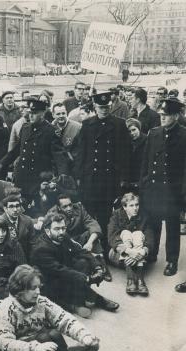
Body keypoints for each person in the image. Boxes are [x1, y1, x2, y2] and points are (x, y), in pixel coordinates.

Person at [31, 213, 119, 319]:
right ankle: (86, 302)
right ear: (47, 230)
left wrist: (97, 267)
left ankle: (80, 300)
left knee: (83, 262)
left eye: (63, 228)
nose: (61, 232)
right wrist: (87, 278)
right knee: (72, 279)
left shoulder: (63, 236)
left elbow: (81, 251)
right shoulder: (41, 249)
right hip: (50, 282)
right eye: (57, 229)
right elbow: (60, 270)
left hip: (64, 273)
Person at [75, 92, 131, 252]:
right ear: (95, 107)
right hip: (90, 178)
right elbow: (81, 152)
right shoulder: (87, 124)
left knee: (106, 215)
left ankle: (106, 250)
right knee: (89, 216)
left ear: (111, 106)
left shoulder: (120, 124)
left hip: (109, 178)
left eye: (106, 107)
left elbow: (126, 153)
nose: (104, 110)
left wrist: (123, 178)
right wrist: (78, 176)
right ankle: (91, 249)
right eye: (101, 107)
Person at [140, 98, 186, 276]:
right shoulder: (154, 133)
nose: (163, 118)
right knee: (154, 223)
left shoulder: (183, 135)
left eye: (166, 115)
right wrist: (143, 183)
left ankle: (171, 261)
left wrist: (183, 192)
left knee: (173, 227)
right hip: (154, 188)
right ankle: (152, 254)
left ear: (175, 116)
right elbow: (146, 160)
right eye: (161, 115)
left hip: (173, 191)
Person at [0, 99, 68, 207]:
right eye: (29, 113)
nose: (31, 116)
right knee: (20, 207)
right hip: (22, 177)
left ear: (42, 114)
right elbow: (18, 150)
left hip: (39, 179)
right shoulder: (25, 128)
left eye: (34, 113)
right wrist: (3, 162)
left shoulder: (50, 131)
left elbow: (59, 156)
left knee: (38, 209)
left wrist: (62, 176)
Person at [48, 194, 111, 281]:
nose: (69, 208)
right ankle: (94, 265)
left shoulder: (79, 208)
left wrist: (90, 243)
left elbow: (92, 223)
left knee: (91, 234)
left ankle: (101, 264)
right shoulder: (53, 213)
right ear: (59, 207)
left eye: (70, 205)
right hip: (65, 242)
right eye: (65, 207)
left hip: (79, 238)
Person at [108, 193, 154, 296]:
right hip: (118, 254)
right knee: (126, 233)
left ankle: (135, 281)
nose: (135, 208)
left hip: (139, 255)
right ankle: (133, 279)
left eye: (137, 205)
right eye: (131, 205)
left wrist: (141, 252)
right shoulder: (116, 215)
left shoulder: (144, 216)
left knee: (138, 234)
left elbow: (150, 237)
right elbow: (111, 237)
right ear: (124, 207)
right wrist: (129, 251)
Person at [1, 194, 36, 261]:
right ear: (5, 209)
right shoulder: (0, 222)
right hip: (6, 260)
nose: (15, 209)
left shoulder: (27, 221)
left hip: (25, 258)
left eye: (17, 206)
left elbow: (33, 244)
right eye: (11, 206)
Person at [125, 118, 147, 191]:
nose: (132, 133)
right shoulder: (126, 142)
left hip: (142, 178)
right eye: (129, 131)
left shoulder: (147, 140)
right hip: (129, 179)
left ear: (139, 128)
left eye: (134, 129)